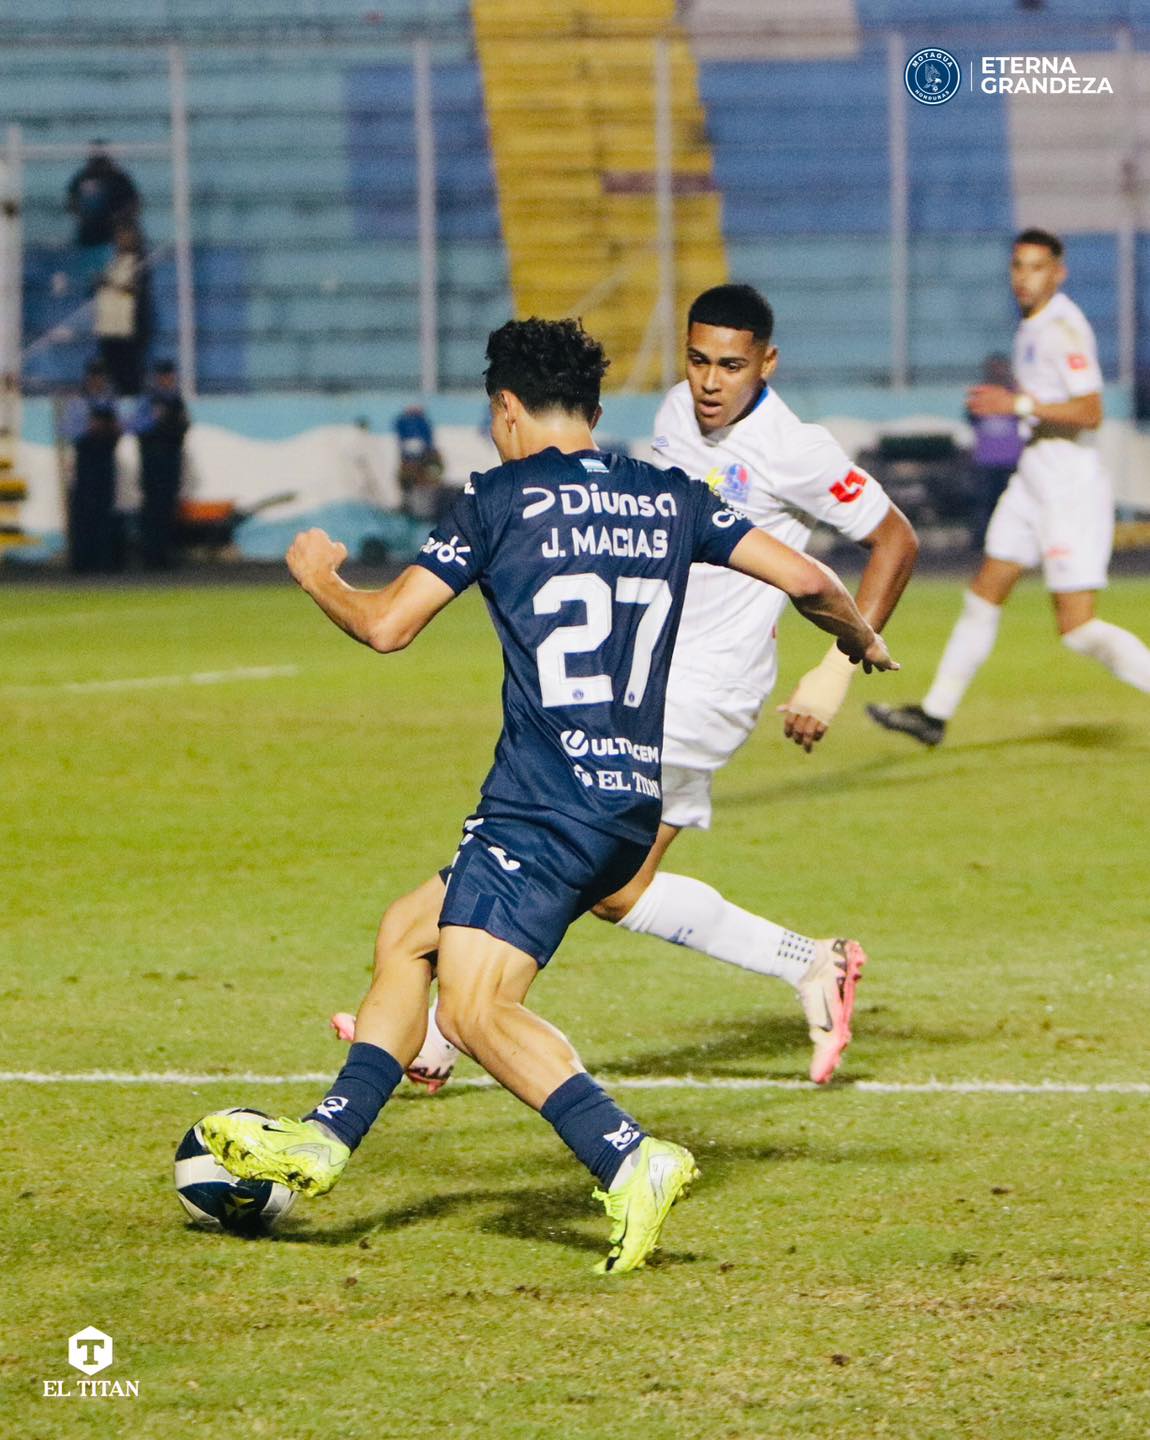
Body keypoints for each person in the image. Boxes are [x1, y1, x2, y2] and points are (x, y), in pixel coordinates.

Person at [202, 318, 895, 1274]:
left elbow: (389, 626)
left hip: (543, 801)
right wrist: (857, 640)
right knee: (411, 929)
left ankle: (628, 1157)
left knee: (480, 1009)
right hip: (626, 805)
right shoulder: (669, 495)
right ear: (599, 413)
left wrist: (321, 576)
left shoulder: (499, 499)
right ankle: (324, 1140)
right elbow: (810, 579)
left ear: (507, 410)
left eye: (497, 420)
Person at [334, 284, 918, 1091]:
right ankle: (812, 961)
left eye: (733, 366)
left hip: (710, 682)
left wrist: (834, 671)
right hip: (643, 663)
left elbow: (895, 537)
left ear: (768, 363)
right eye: (699, 359)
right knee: (614, 883)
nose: (712, 381)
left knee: (576, 841)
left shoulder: (798, 449)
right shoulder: (679, 412)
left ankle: (448, 1025)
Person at [868, 228, 1150, 747]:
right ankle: (933, 715)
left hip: (1069, 485)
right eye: (1018, 266)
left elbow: (1090, 411)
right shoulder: (1031, 327)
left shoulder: (1064, 329)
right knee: (983, 594)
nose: (1025, 277)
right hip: (1034, 478)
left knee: (1078, 629)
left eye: (1037, 266)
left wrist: (1015, 405)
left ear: (1058, 273)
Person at [63, 361, 124, 574]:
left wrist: (113, 429)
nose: (98, 381)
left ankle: (104, 560)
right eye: (95, 377)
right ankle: (83, 561)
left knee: (105, 510)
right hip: (86, 461)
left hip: (105, 460)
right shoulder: (78, 402)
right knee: (85, 511)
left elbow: (120, 427)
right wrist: (88, 429)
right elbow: (69, 432)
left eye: (101, 377)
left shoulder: (109, 401)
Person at [134, 361, 190, 570]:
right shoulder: (148, 401)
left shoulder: (176, 400)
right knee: (152, 511)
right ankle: (150, 556)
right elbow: (135, 426)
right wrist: (154, 419)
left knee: (168, 511)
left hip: (171, 464)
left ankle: (165, 556)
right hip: (152, 464)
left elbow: (184, 426)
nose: (167, 380)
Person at [967, 354, 1024, 550]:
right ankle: (982, 546)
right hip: (986, 461)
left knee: (1014, 506)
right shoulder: (981, 393)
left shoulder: (1017, 395)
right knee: (985, 507)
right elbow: (972, 417)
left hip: (1012, 460)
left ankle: (1014, 545)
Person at [94, 223, 151, 396]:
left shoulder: (140, 262)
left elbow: (136, 289)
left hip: (128, 328)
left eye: (125, 235)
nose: (121, 240)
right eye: (119, 236)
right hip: (108, 325)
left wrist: (111, 284)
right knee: (111, 369)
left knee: (129, 371)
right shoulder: (112, 261)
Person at [66, 141, 140, 250]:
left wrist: (118, 220)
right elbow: (71, 202)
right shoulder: (83, 177)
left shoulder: (118, 178)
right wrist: (84, 218)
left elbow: (133, 203)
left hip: (113, 235)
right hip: (88, 235)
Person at [394, 404, 444, 520]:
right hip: (415, 506)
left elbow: (436, 474)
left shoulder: (431, 460)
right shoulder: (406, 469)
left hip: (427, 506)